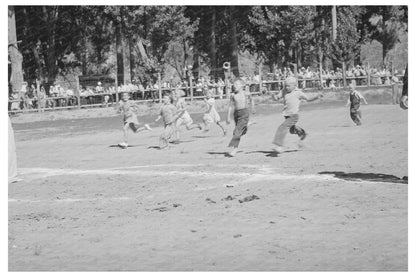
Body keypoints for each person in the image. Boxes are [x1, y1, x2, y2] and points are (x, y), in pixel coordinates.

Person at [272, 76, 323, 153]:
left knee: (282, 127)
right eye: (285, 85)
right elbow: (276, 98)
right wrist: (273, 96)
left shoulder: (298, 92)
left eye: (288, 86)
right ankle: (302, 133)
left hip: (294, 116)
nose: (286, 87)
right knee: (292, 130)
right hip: (286, 115)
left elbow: (308, 99)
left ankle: (279, 146)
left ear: (294, 86)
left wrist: (316, 96)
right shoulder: (283, 91)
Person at [226, 79, 255, 157]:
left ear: (242, 85)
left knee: (237, 131)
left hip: (244, 113)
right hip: (236, 115)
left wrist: (253, 108)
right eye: (234, 84)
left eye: (236, 84)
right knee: (242, 132)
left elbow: (251, 100)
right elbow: (230, 106)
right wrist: (228, 117)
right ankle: (247, 125)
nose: (234, 86)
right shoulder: (233, 95)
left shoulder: (246, 93)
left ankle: (235, 150)